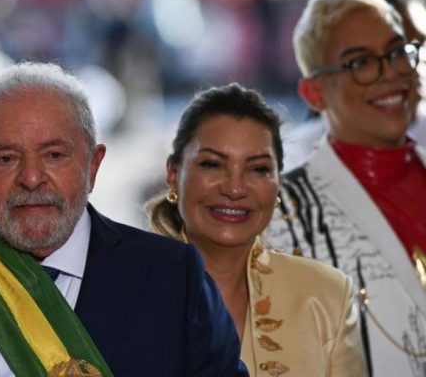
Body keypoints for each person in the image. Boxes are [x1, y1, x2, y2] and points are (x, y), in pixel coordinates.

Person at [0, 62, 247, 376]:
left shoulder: (172, 278)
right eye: (6, 158)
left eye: (55, 155)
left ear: (93, 165)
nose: (31, 177)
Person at [146, 83, 367, 376]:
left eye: (258, 169)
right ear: (174, 174)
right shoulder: (121, 290)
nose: (235, 188)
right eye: (212, 164)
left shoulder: (327, 296)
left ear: (278, 184)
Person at [262, 0, 426, 375]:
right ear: (314, 93)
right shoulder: (281, 217)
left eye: (397, 52)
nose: (391, 72)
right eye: (360, 63)